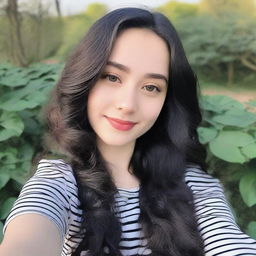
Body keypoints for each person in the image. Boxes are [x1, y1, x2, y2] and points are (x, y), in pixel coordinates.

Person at [0, 7, 256, 256]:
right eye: (112, 77)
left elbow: (228, 241)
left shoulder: (194, 184)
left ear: (166, 101)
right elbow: (28, 236)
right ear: (85, 79)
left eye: (151, 87)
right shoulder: (58, 182)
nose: (128, 104)